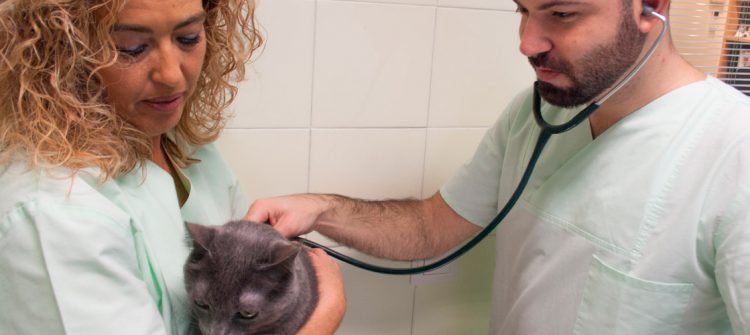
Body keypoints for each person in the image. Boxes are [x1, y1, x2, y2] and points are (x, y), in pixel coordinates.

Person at [246, 0, 750, 333]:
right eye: (523, 10)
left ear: (650, 6)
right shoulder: (538, 113)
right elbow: (431, 228)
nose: (527, 42)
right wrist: (319, 209)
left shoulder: (733, 150)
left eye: (563, 13)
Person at [0, 0, 344, 334]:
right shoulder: (53, 213)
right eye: (131, 47)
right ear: (63, 52)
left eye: (188, 38)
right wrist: (325, 315)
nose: (171, 75)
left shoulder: (186, 148)